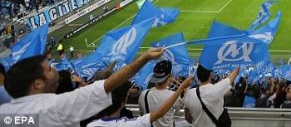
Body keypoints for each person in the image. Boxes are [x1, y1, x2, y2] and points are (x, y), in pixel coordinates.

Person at [0, 47, 166, 127]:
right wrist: (144, 58)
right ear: (37, 83)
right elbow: (108, 85)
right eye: (49, 69)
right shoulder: (54, 107)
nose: (55, 69)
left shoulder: (5, 114)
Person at [87, 77, 191, 126]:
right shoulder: (129, 124)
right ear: (123, 102)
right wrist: (181, 88)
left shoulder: (91, 125)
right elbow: (160, 113)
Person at [137, 60, 187, 127]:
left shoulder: (144, 94)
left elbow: (142, 113)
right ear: (169, 75)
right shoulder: (173, 95)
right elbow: (179, 108)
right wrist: (185, 92)